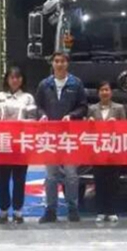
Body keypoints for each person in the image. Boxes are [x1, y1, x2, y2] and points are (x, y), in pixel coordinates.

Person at [35, 51, 88, 223]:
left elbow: (83, 107)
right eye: (56, 61)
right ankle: (50, 210)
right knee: (51, 176)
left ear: (67, 64)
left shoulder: (76, 83)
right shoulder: (44, 84)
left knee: (71, 175)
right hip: (50, 136)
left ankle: (73, 208)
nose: (59, 64)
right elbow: (38, 106)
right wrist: (42, 115)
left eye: (62, 61)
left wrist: (72, 115)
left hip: (69, 136)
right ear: (52, 64)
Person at [0, 66, 36, 224]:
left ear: (22, 80)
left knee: (19, 179)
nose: (15, 80)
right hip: (2, 142)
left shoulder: (28, 98)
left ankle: (18, 210)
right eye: (12, 77)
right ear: (7, 79)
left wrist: (19, 125)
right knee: (2, 179)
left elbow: (33, 119)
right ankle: (3, 210)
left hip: (20, 143)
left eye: (18, 77)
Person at [87, 81, 126, 223]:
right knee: (99, 182)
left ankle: (112, 210)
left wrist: (117, 124)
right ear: (98, 93)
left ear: (111, 92)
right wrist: (89, 123)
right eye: (102, 90)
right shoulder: (92, 109)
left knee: (113, 182)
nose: (105, 92)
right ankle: (100, 211)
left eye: (107, 90)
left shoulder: (119, 108)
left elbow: (125, 128)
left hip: (114, 149)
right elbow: (87, 130)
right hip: (98, 150)